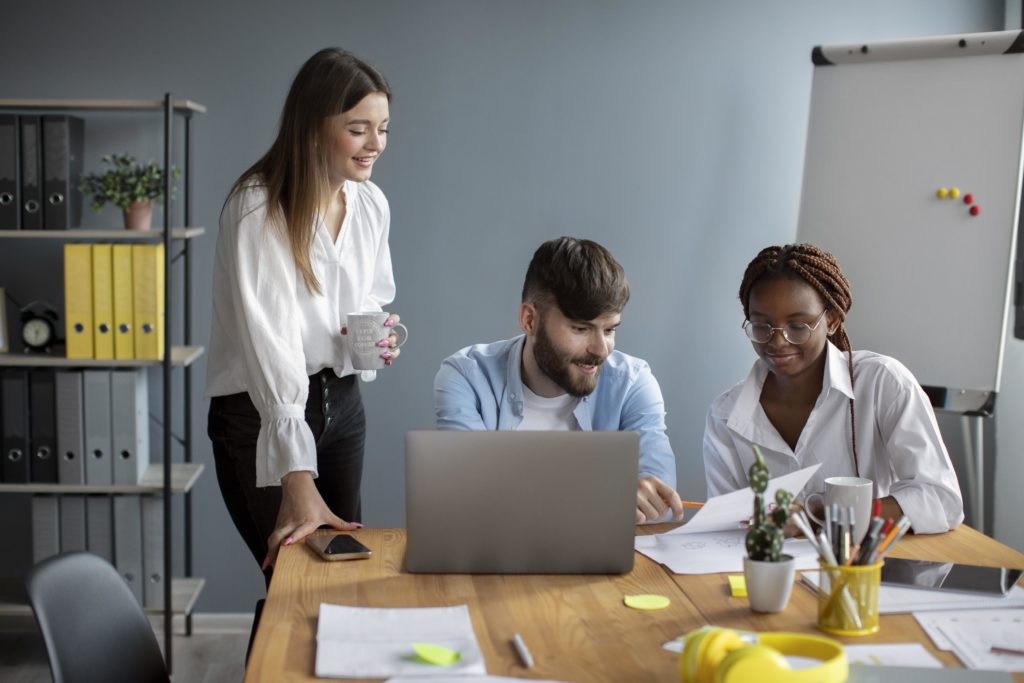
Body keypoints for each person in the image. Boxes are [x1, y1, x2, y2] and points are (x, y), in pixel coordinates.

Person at [206, 48, 403, 577]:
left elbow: (365, 298)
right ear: (314, 127)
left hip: (342, 404)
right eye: (358, 129)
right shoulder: (258, 207)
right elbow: (270, 345)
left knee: (345, 571)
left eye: (383, 128)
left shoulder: (370, 203)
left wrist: (372, 339)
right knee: (293, 580)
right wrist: (295, 476)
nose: (375, 145)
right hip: (261, 413)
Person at [702, 243, 963, 534]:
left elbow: (941, 500)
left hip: (869, 571)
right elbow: (726, 528)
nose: (777, 342)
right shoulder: (725, 415)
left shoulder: (882, 383)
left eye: (798, 326)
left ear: (833, 320)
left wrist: (818, 512)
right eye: (762, 326)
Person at [434, 236, 683, 524]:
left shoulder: (633, 383)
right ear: (530, 320)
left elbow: (660, 506)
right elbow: (468, 498)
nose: (601, 350)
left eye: (610, 330)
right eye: (581, 328)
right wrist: (610, 497)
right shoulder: (466, 378)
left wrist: (647, 497)